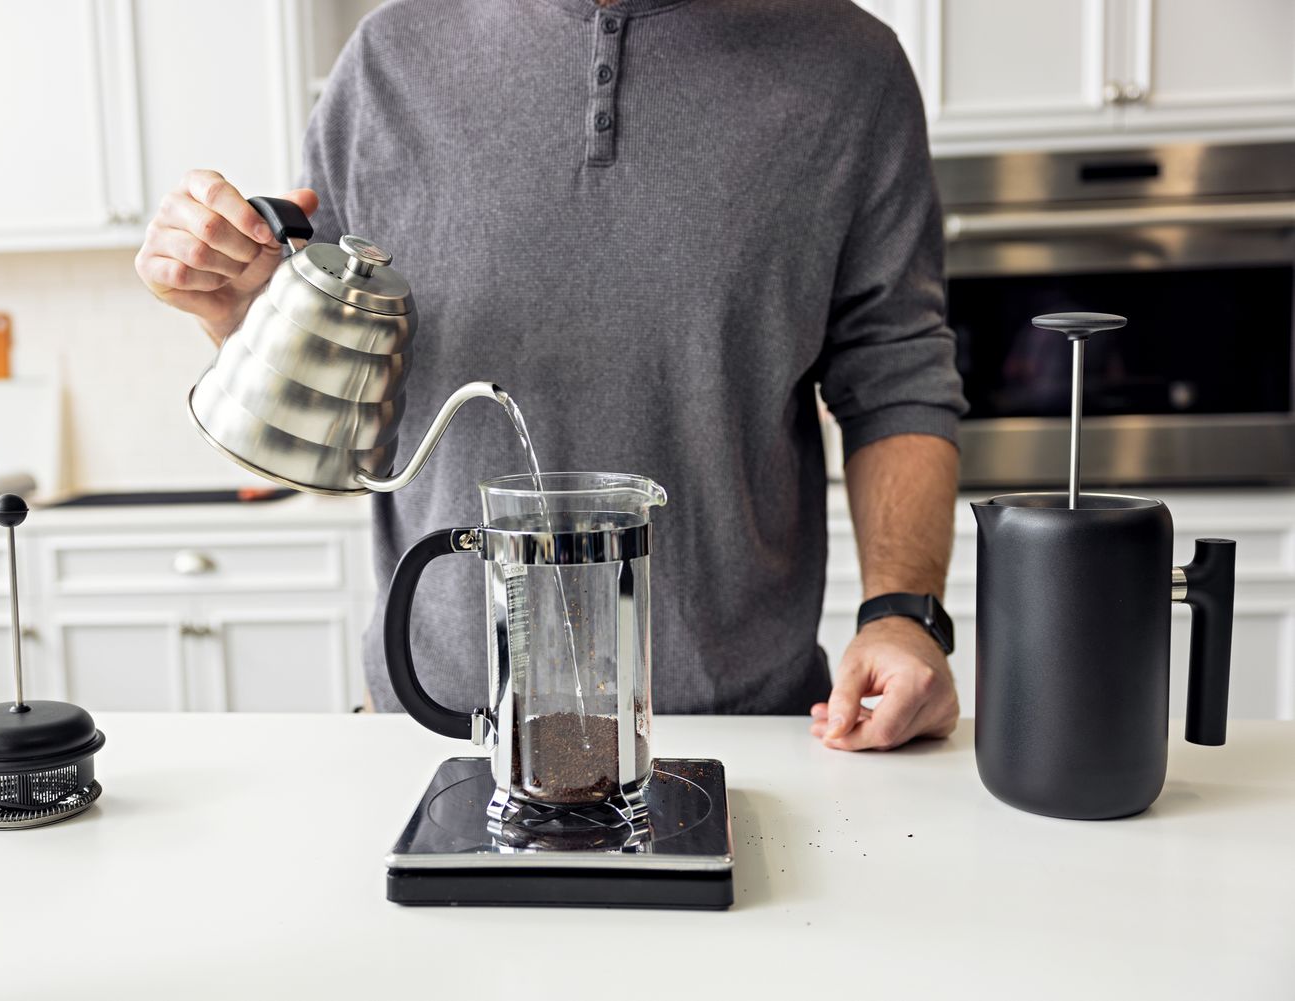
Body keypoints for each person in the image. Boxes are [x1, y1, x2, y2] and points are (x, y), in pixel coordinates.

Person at [135, 0, 967, 751]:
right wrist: (243, 312)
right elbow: (350, 428)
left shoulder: (850, 68)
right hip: (431, 731)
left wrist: (904, 616)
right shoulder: (387, 60)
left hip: (741, 737)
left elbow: (895, 375)